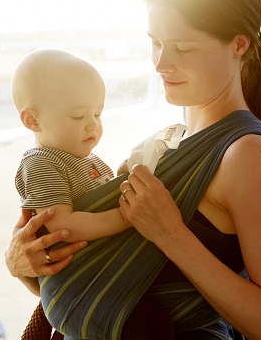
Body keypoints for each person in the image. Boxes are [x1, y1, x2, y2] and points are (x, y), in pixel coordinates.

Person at [6, 0, 261, 340]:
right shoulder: (166, 141)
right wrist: (26, 265)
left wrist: (170, 233)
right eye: (155, 43)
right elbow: (100, 289)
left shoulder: (248, 154)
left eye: (182, 48)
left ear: (238, 44)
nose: (161, 63)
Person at [11, 48, 175, 339]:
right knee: (150, 325)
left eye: (97, 114)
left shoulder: (90, 161)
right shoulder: (40, 163)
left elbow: (98, 202)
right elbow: (64, 226)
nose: (92, 125)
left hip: (103, 280)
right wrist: (126, 217)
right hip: (81, 292)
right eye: (77, 116)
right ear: (32, 120)